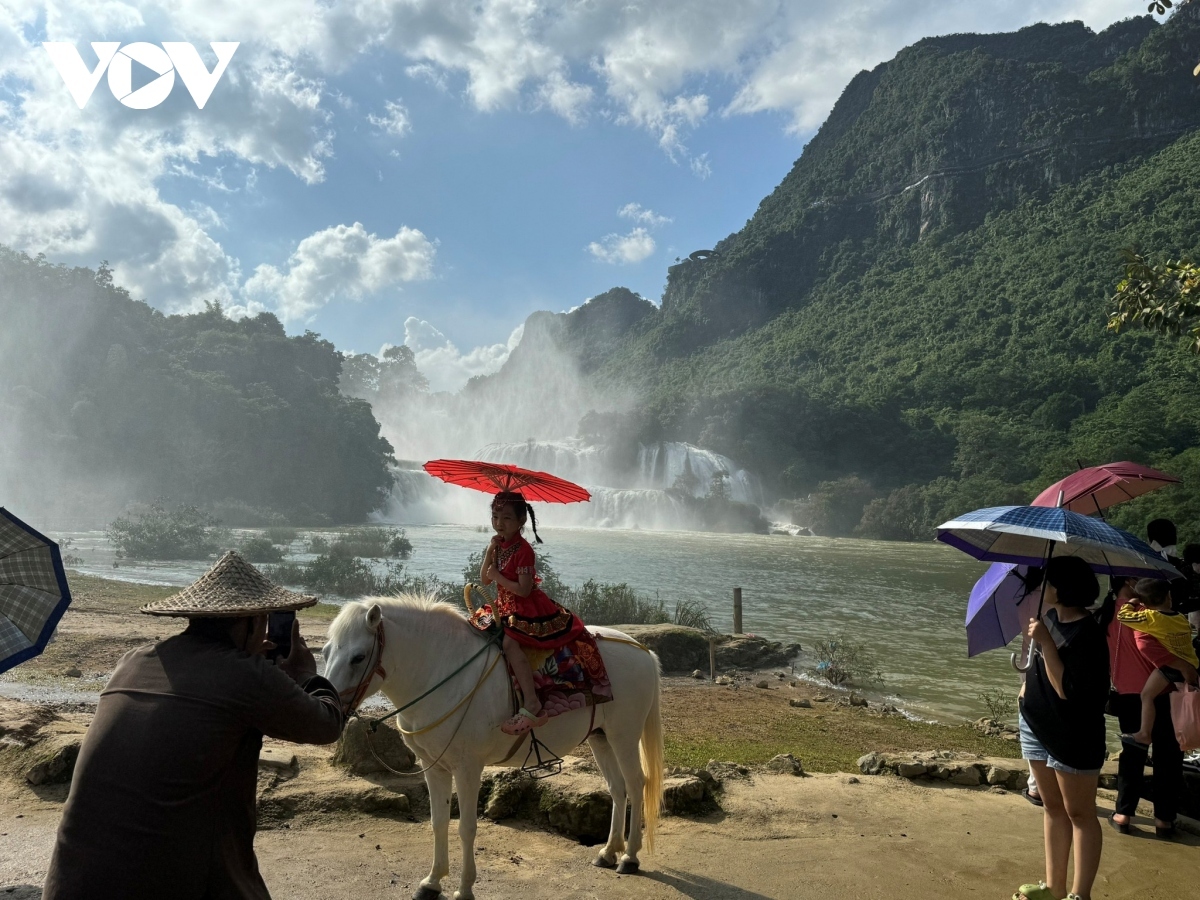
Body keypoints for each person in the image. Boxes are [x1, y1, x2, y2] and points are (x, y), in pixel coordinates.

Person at [42, 551, 346, 900]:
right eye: (264, 619)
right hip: (169, 882)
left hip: (71, 882)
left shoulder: (133, 661)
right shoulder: (248, 676)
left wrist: (257, 675)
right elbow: (327, 725)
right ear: (250, 622)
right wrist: (306, 675)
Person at [1014, 556, 1109, 900]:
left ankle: (1078, 895)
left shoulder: (1088, 633)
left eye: (1049, 582)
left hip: (1073, 734)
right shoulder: (1050, 618)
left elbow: (1067, 690)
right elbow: (1038, 668)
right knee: (1053, 808)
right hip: (1037, 724)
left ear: (1064, 588)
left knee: (1080, 813)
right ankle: (1054, 888)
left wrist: (1046, 642)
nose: (1043, 587)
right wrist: (1024, 693)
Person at [480, 491, 589, 736]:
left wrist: (497, 576)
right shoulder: (499, 546)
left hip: (526, 608)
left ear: (521, 521)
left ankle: (532, 702)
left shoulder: (524, 550)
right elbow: (484, 579)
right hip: (504, 605)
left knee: (510, 644)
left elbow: (524, 589)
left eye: (506, 518)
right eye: (495, 516)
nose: (499, 523)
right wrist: (489, 552)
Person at [1107, 576, 1188, 837]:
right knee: (1169, 756)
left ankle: (1123, 813)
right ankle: (1164, 819)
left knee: (1132, 753)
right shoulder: (1152, 613)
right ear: (1131, 582)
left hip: (1127, 691)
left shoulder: (1106, 613)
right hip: (1165, 690)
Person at [1117, 578, 1199, 749]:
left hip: (1171, 666)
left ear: (1144, 602)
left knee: (1147, 695)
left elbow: (1123, 617)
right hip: (1191, 662)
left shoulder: (1151, 617)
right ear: (1169, 597)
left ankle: (1144, 733)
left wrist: (1132, 602)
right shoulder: (1180, 618)